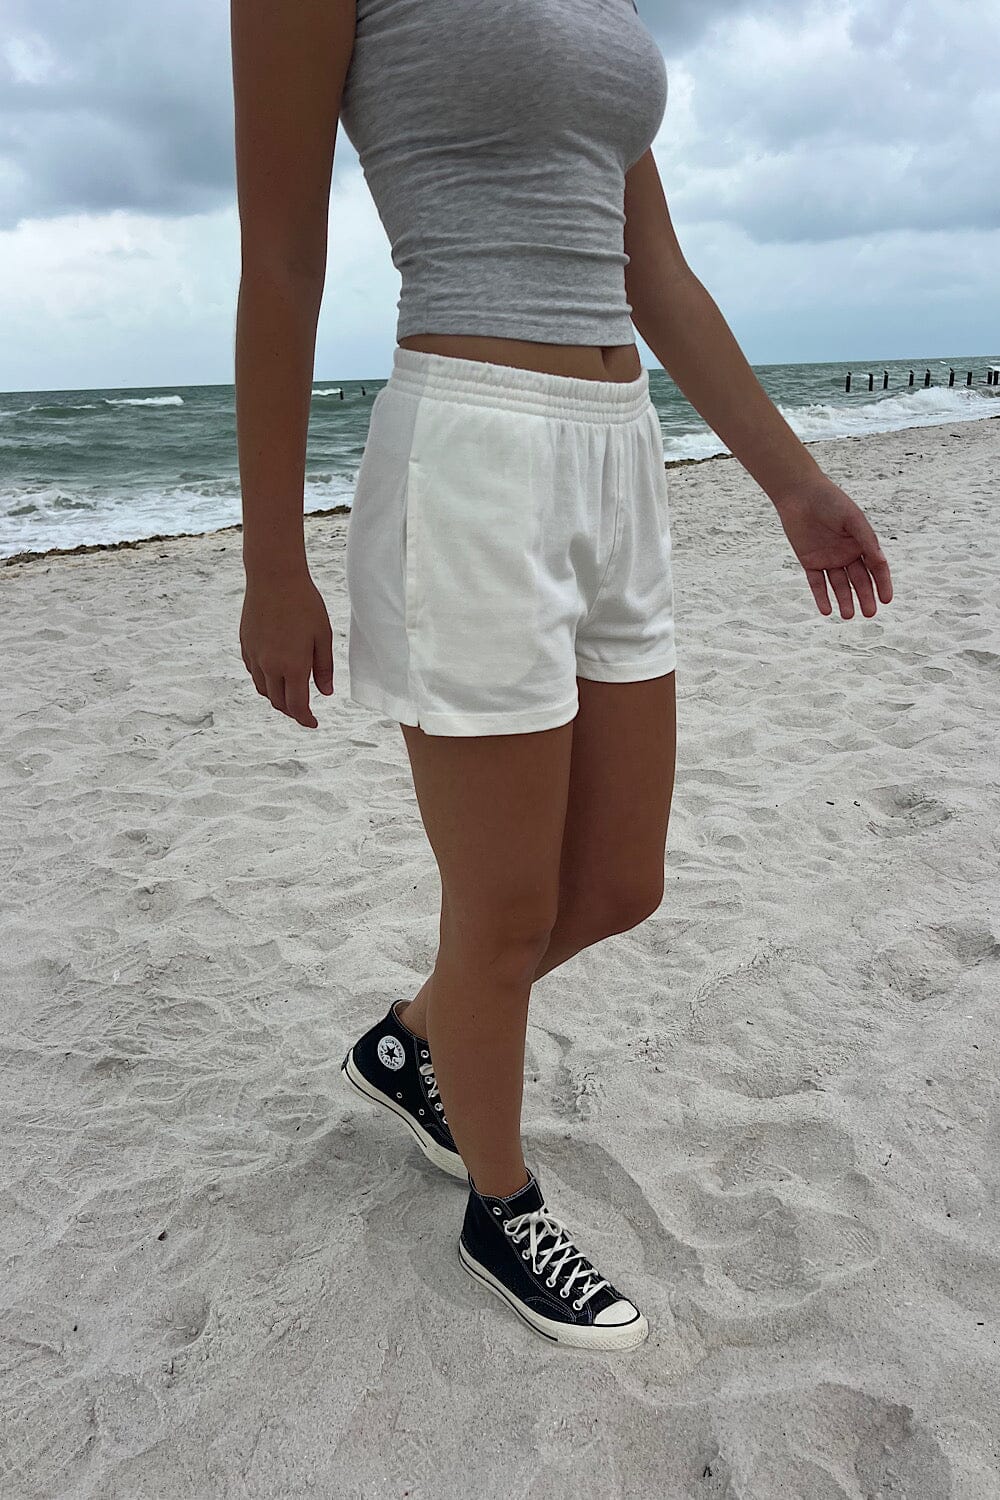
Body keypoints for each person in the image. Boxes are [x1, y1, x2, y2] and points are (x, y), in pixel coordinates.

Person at [231, 0, 893, 1352]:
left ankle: (416, 1042)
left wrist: (795, 483)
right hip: (470, 457)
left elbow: (657, 271)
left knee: (619, 883)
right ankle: (499, 1200)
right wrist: (272, 562)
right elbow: (284, 259)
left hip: (618, 451)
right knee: (506, 906)